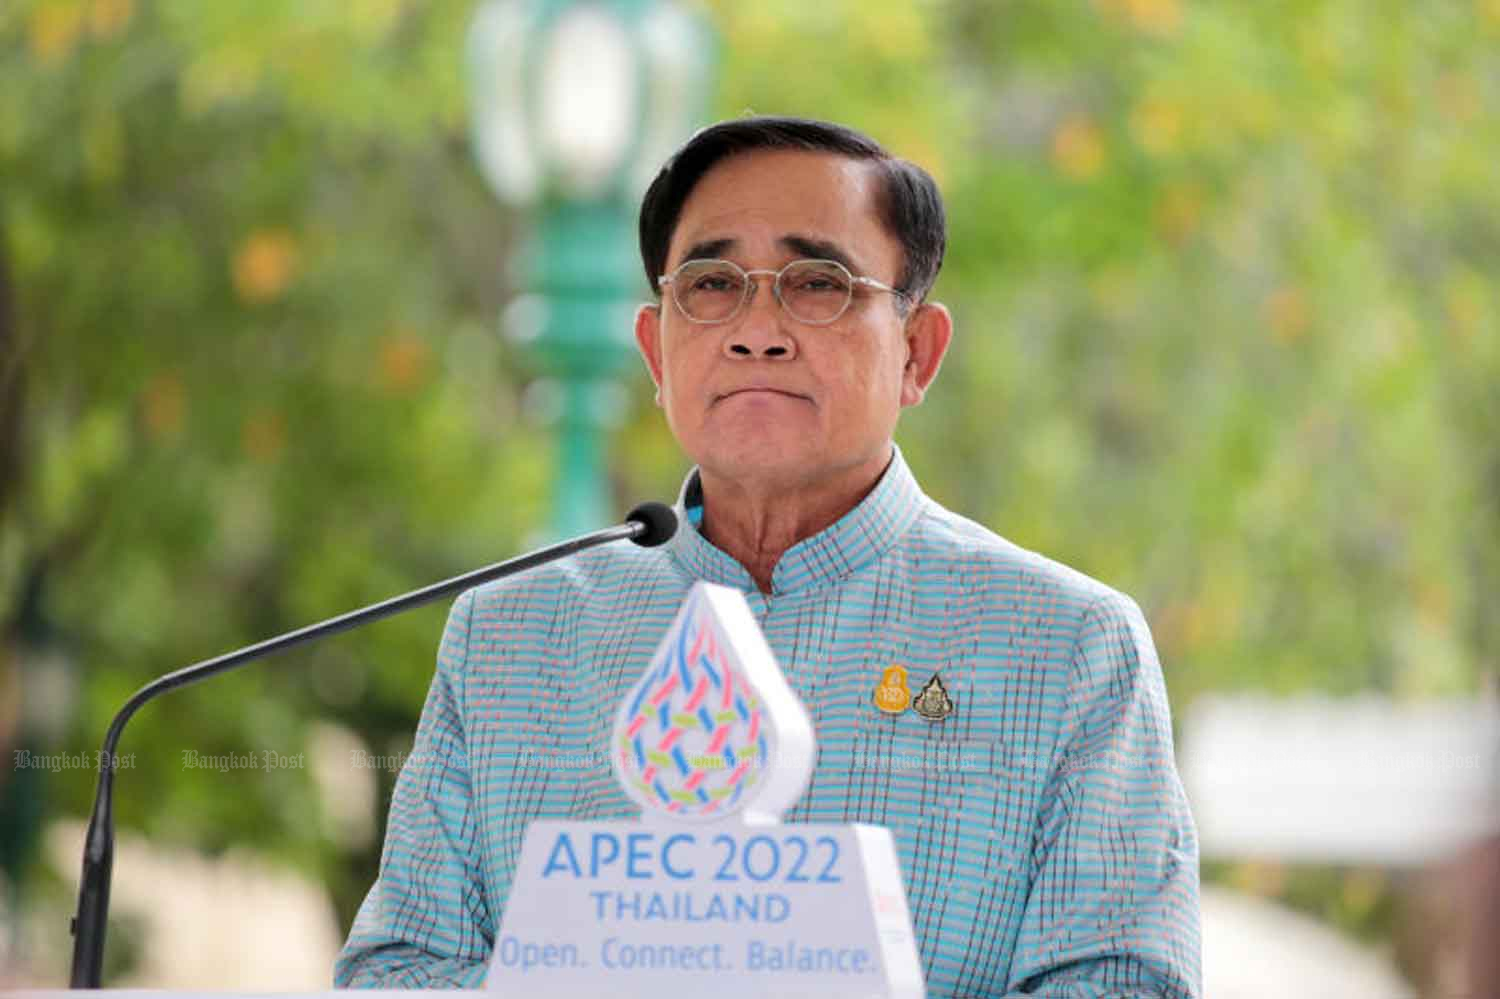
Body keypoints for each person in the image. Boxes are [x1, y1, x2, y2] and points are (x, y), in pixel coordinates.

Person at [336, 116, 1202, 997]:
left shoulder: (1065, 646)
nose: (757, 331)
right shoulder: (511, 633)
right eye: (711, 283)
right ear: (655, 351)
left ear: (918, 351)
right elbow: (396, 970)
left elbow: (1123, 983)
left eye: (817, 282)